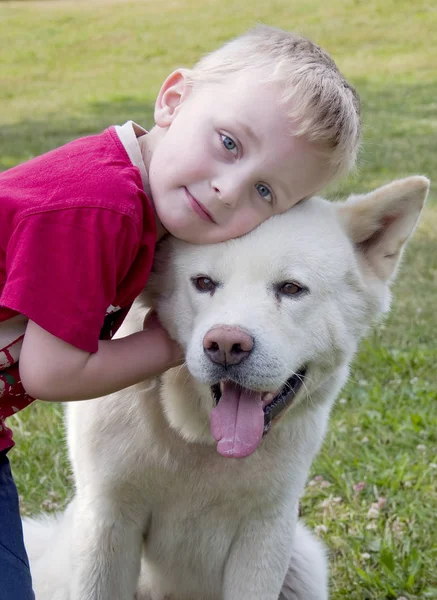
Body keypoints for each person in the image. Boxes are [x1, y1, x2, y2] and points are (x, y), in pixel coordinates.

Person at [0, 24, 360, 598]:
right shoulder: (101, 207)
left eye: (265, 192)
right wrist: (172, 340)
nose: (228, 189)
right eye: (229, 143)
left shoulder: (148, 216)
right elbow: (47, 372)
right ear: (172, 99)